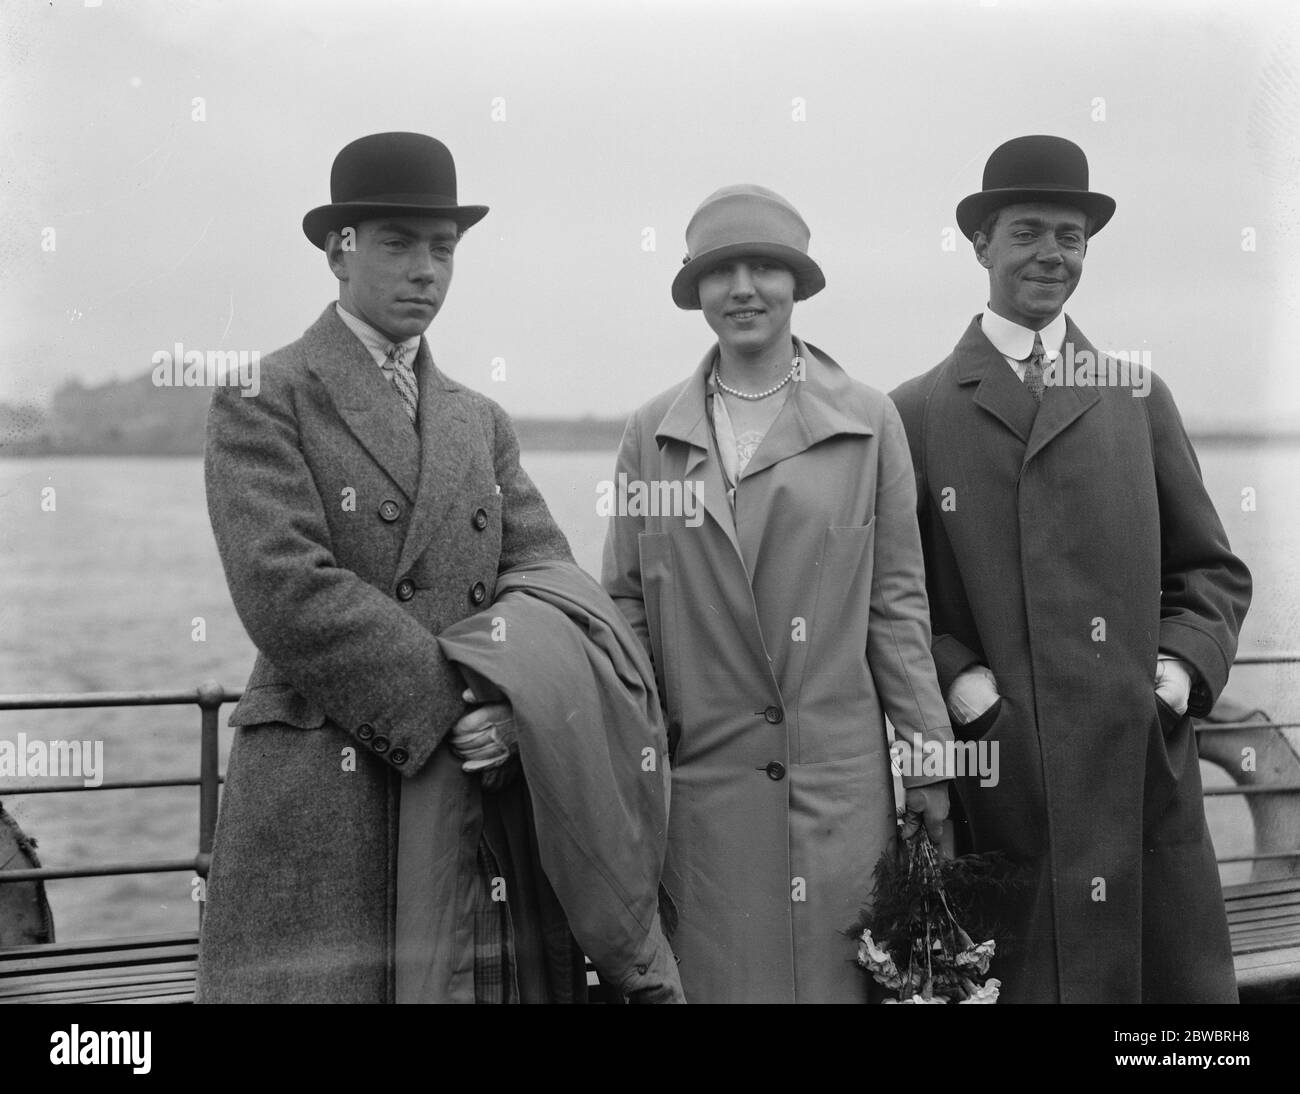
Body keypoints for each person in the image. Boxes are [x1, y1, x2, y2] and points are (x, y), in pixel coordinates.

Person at [198, 132, 679, 1003]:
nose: (426, 270)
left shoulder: (479, 420)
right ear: (338, 252)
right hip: (325, 786)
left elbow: (549, 582)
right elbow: (285, 588)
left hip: (471, 786)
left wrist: (513, 704)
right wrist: (457, 705)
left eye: (443, 248)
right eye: (398, 243)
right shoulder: (263, 393)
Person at [889, 134, 1252, 1003]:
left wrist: (1166, 679)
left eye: (1070, 236)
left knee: (1169, 1035)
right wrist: (970, 693)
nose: (1051, 254)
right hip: (1000, 782)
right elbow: (895, 600)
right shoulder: (914, 412)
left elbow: (1211, 575)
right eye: (1026, 232)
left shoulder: (1138, 398)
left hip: (1140, 774)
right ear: (980, 244)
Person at [602, 184, 953, 1003]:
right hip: (700, 805)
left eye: (766, 267)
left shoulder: (868, 424)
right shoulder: (650, 435)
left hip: (840, 801)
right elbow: (621, 609)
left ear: (799, 283)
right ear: (697, 292)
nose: (744, 288)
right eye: (722, 271)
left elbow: (897, 609)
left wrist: (929, 763)